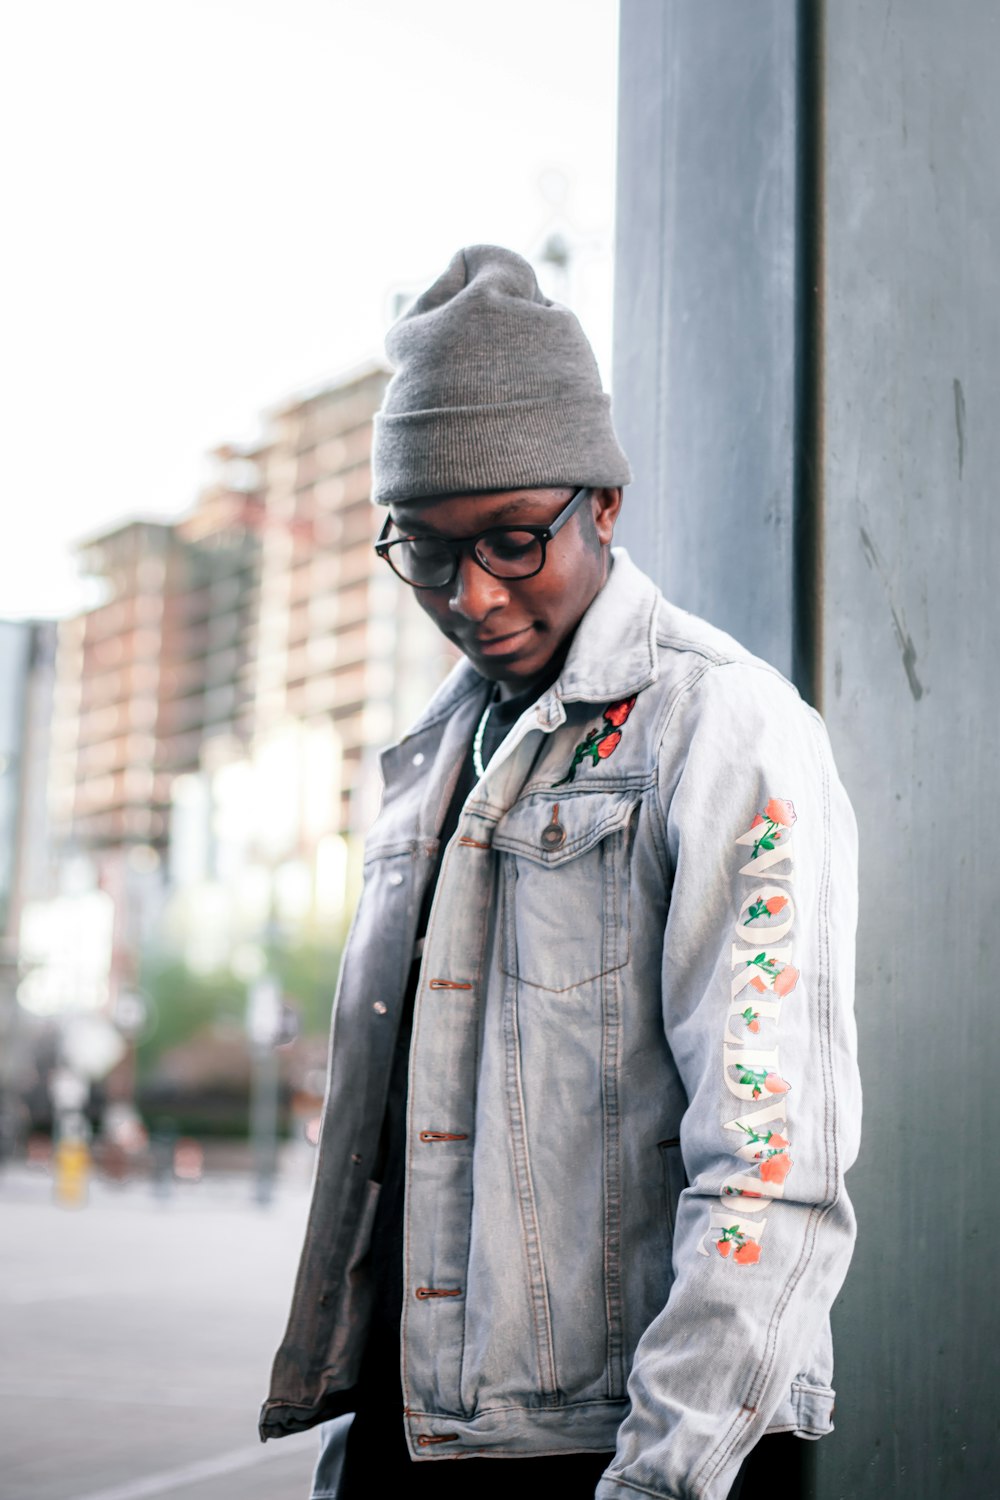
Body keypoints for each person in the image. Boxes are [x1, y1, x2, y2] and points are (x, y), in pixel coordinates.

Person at [260, 245, 861, 1500]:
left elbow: (770, 1161)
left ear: (605, 503)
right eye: (425, 552)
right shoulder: (431, 758)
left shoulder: (724, 729)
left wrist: (663, 1474)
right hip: (417, 1435)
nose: (473, 596)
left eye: (515, 540)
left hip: (611, 1452)